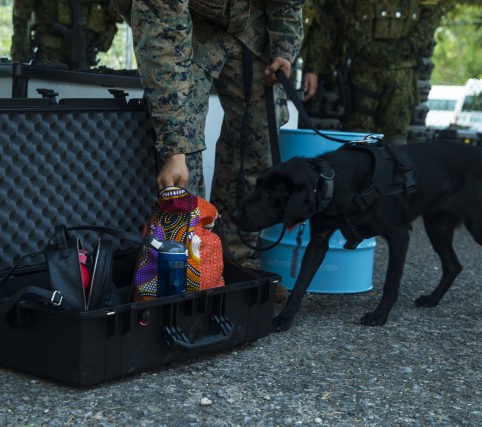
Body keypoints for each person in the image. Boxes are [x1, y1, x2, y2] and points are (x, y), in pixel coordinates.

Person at [114, 0, 305, 264]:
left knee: (257, 143)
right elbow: (164, 44)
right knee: (181, 161)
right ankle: (191, 266)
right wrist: (176, 148)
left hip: (250, 26)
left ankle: (236, 259)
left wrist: (284, 49)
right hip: (187, 24)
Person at [300, 0, 443, 145]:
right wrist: (313, 69)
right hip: (360, 75)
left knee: (395, 141)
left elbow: (431, 18)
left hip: (401, 77)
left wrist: (405, 48)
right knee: (358, 139)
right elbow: (328, 23)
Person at [11, 0, 124, 69]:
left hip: (83, 53)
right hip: (49, 54)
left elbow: (118, 14)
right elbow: (20, 16)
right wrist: (19, 57)